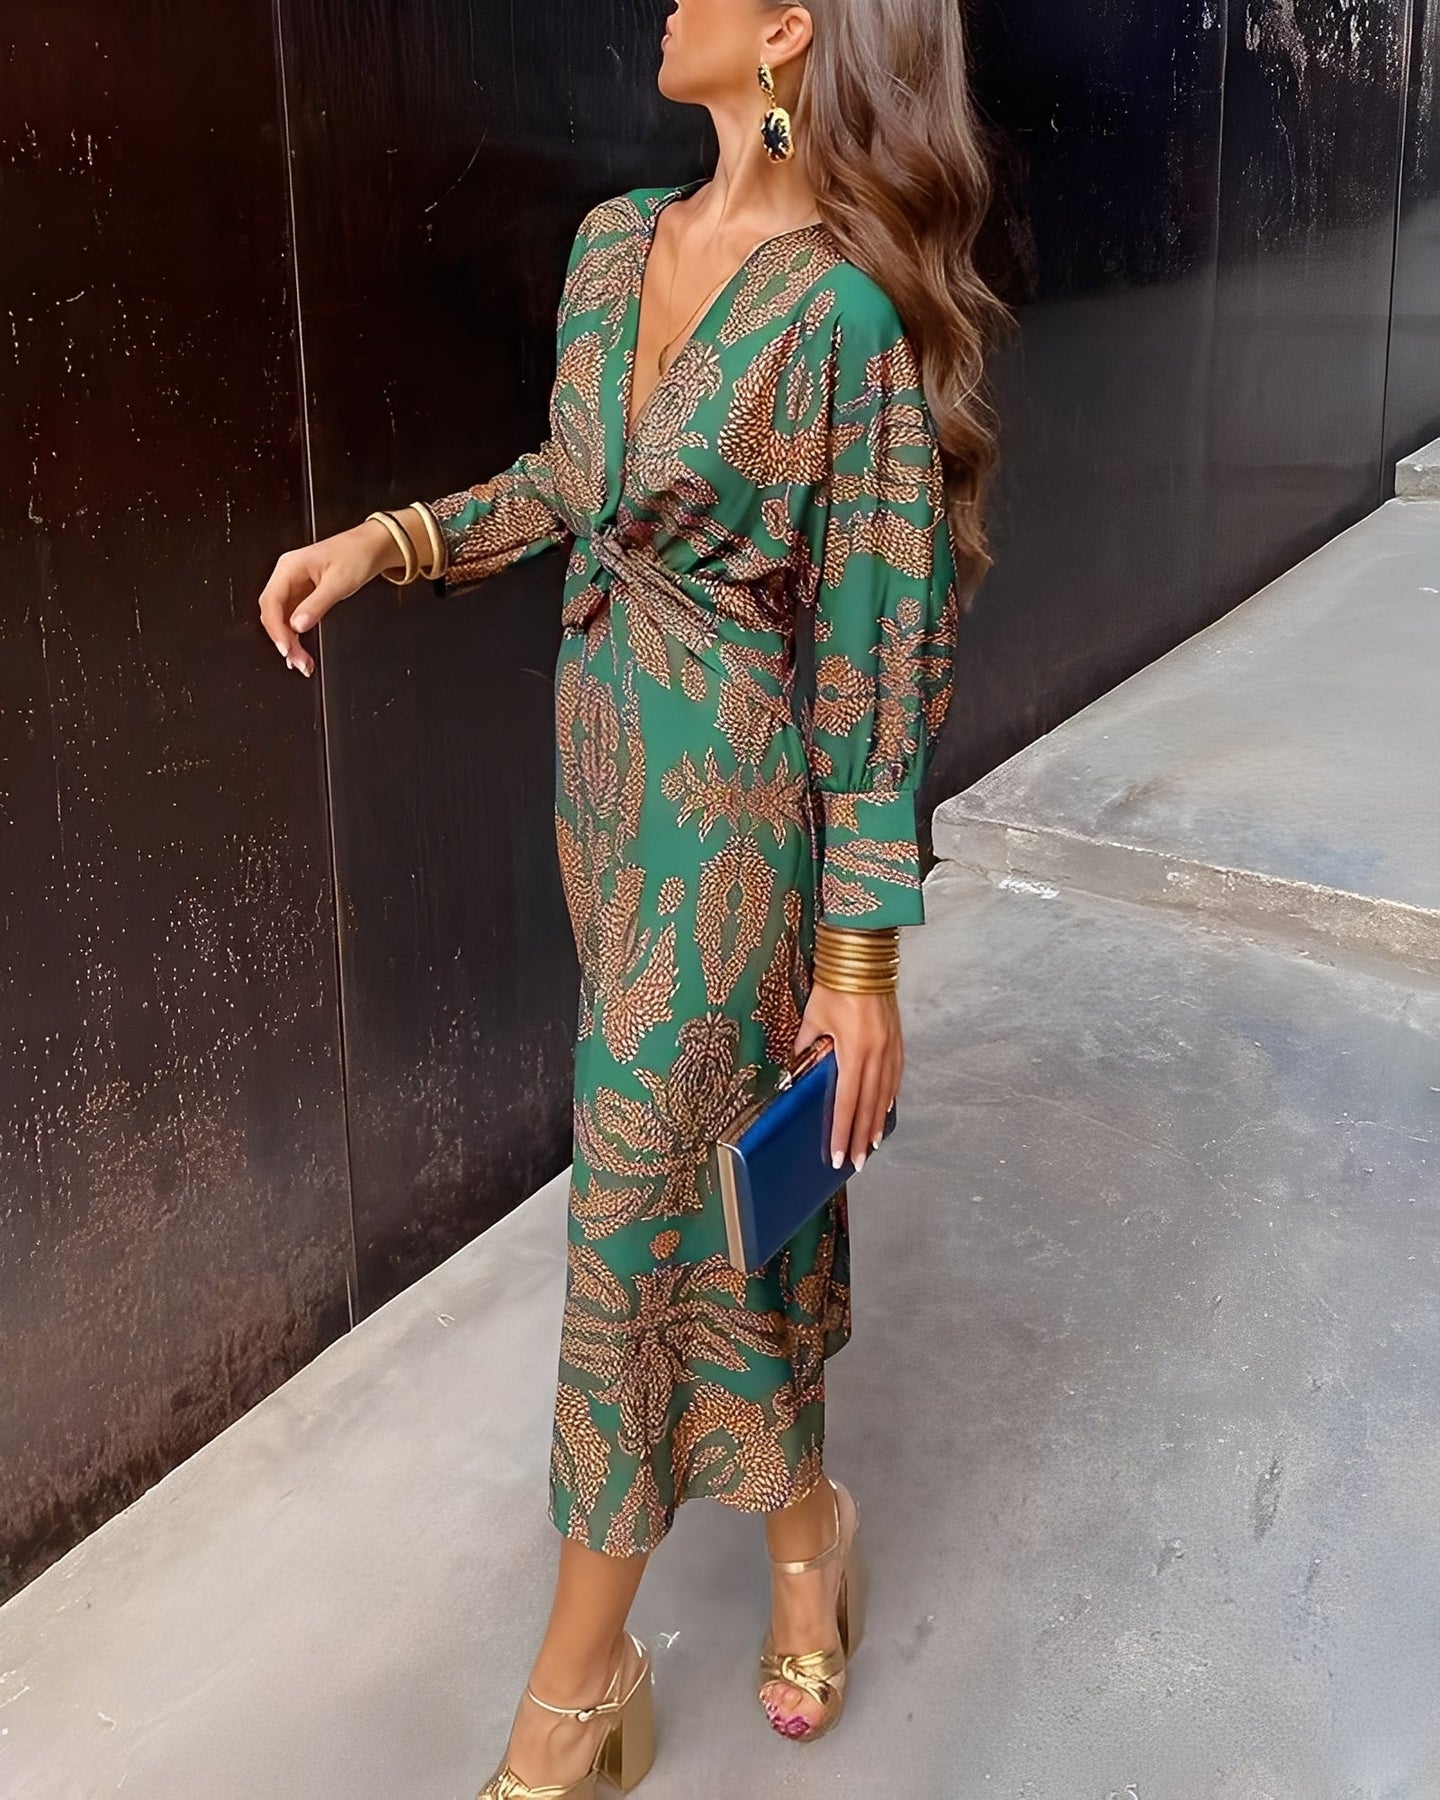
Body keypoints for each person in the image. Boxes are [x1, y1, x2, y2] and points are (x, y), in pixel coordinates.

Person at [257, 1, 1010, 1792]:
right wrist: (391, 542)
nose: (665, 2)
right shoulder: (615, 247)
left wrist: (860, 958)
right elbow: (570, 487)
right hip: (605, 790)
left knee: (626, 1217)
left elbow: (878, 640)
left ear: (789, 34)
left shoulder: (842, 318)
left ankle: (577, 1690)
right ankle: (810, 1528)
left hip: (735, 824)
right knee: (713, 1211)